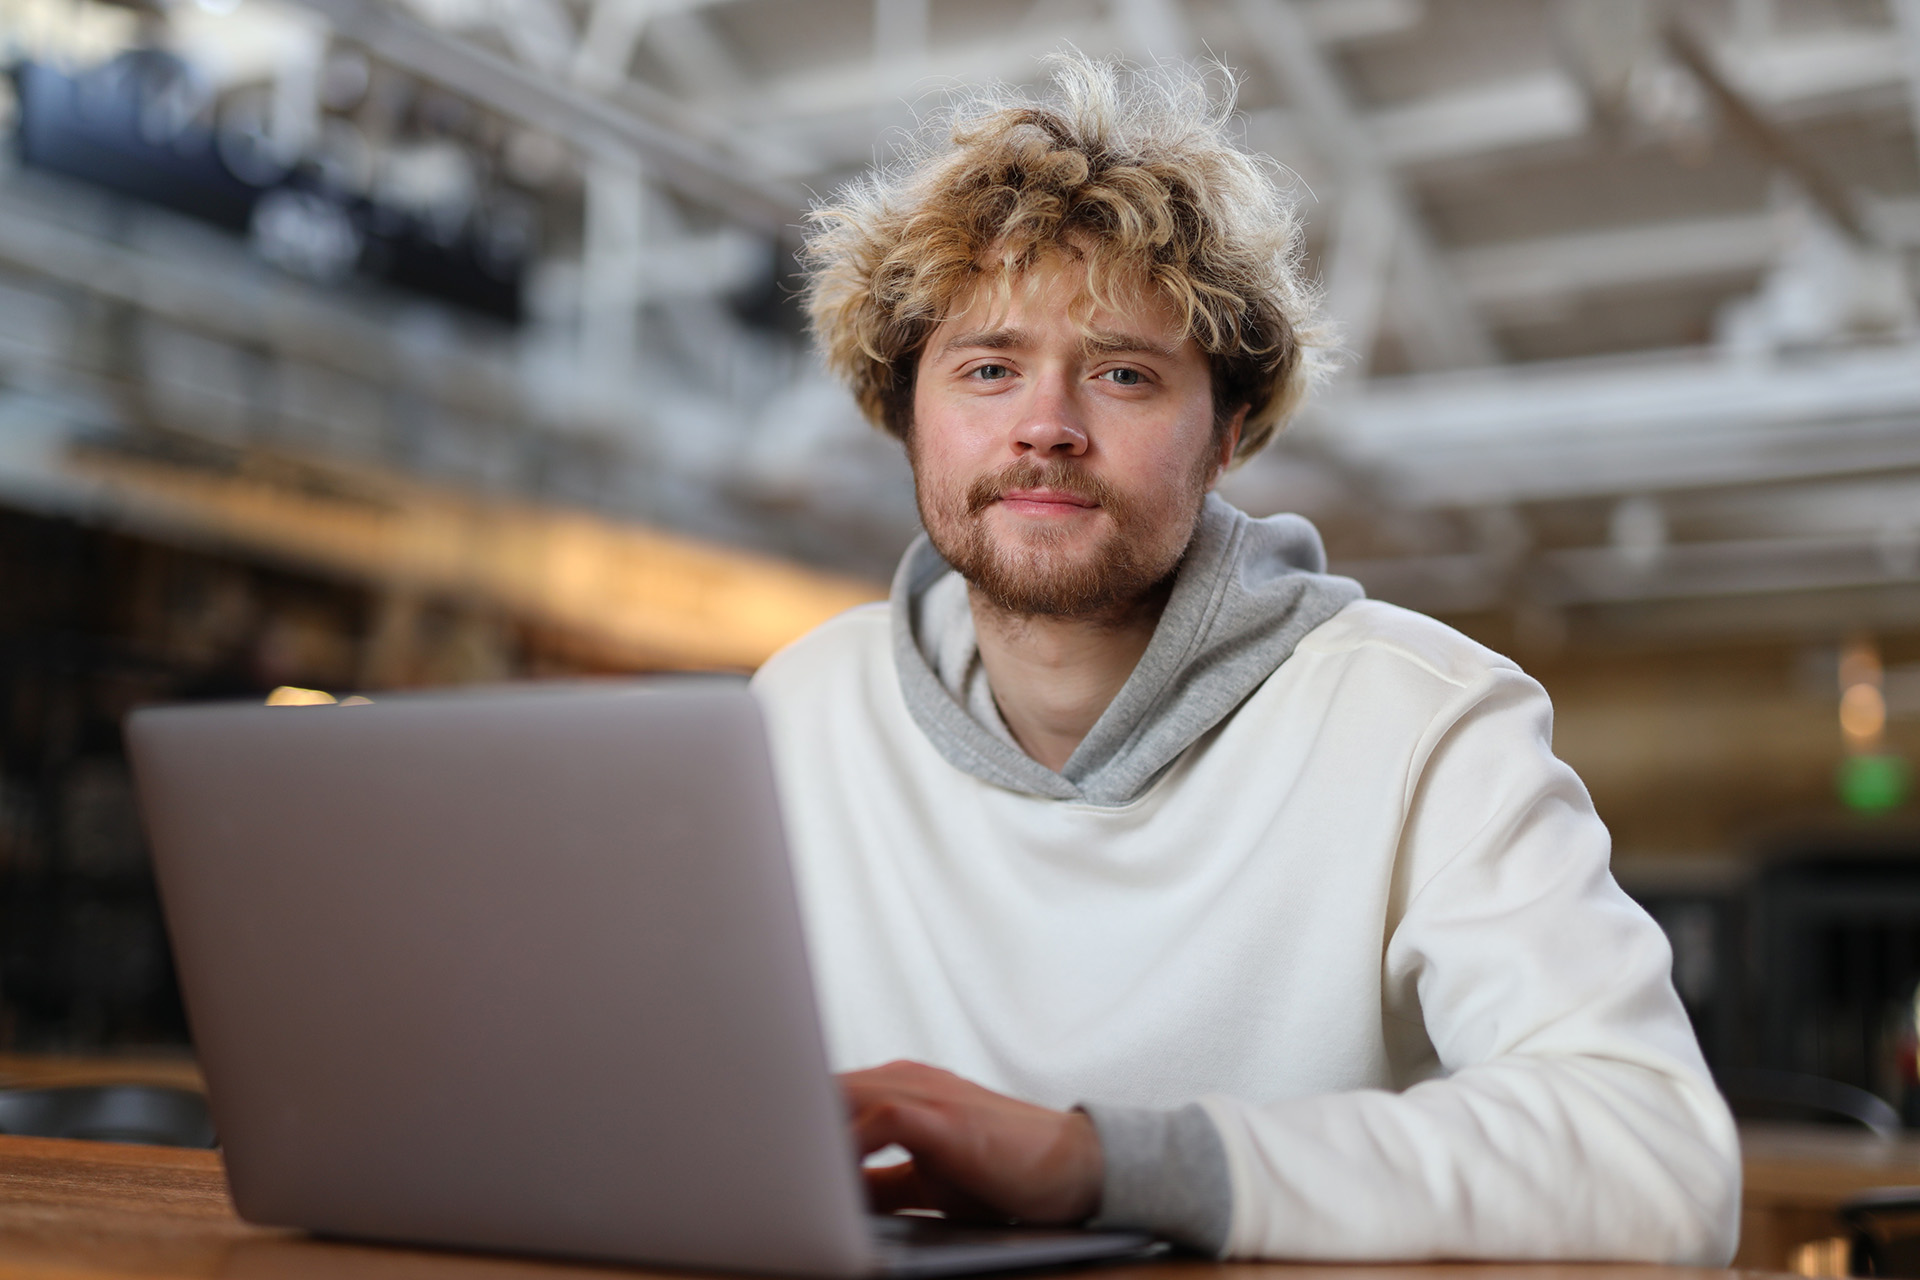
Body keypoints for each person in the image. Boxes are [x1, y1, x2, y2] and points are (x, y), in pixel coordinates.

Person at [750, 54, 1739, 1263]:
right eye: (988, 367)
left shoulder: (1424, 719)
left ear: (1226, 436)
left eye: (1122, 372)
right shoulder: (799, 711)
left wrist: (1110, 1164)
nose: (1046, 423)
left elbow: (1658, 1154)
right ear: (908, 411)